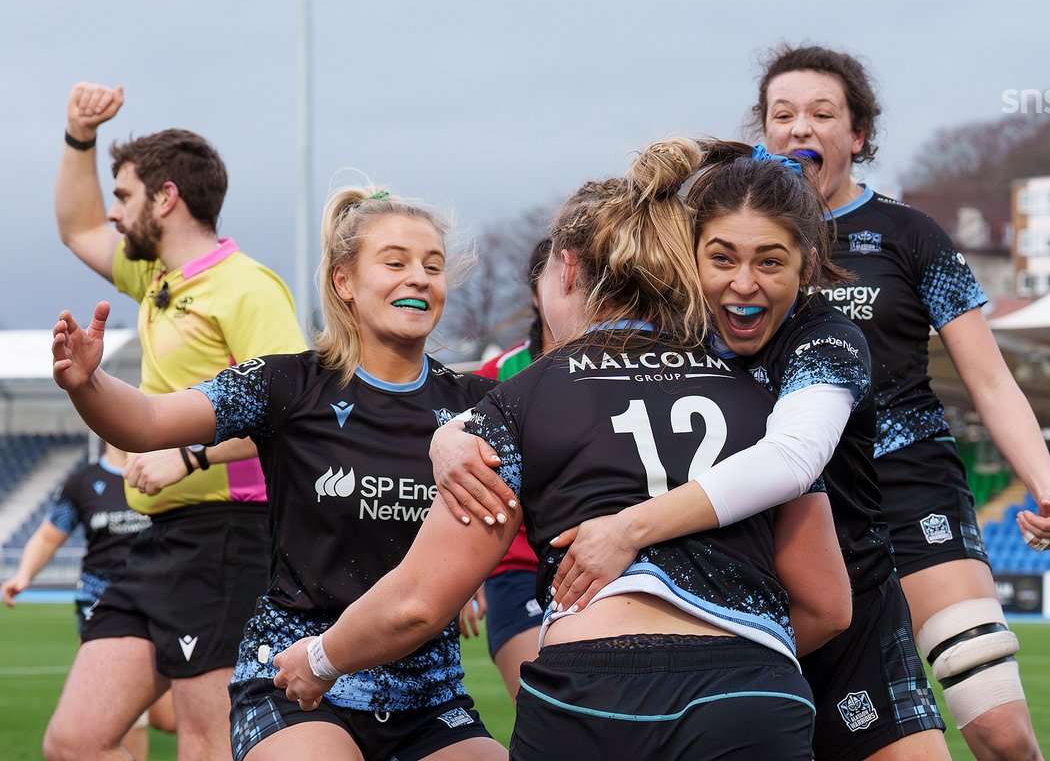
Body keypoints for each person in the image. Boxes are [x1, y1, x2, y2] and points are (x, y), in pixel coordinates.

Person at [270, 139, 850, 761]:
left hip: (595, 695)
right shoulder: (761, 390)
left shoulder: (520, 400)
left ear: (567, 270)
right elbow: (827, 605)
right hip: (754, 700)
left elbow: (418, 603)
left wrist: (321, 657)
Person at [437, 142, 951, 760]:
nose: (743, 283)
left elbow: (792, 459)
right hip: (727, 626)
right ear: (687, 258)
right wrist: (452, 436)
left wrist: (627, 528)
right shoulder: (678, 338)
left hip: (847, 608)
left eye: (770, 262)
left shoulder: (825, 338)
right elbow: (537, 392)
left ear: (807, 265)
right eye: (721, 257)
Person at [51, 183, 506, 761]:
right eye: (395, 262)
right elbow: (146, 422)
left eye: (433, 266)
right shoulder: (287, 383)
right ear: (344, 281)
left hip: (430, 699)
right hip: (293, 679)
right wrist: (88, 384)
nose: (419, 277)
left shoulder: (482, 406)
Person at [752, 44, 1050, 761]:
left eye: (821, 113)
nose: (800, 127)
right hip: (793, 501)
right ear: (764, 132)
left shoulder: (910, 235)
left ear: (857, 134)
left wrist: (1044, 485)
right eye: (783, 114)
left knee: (997, 727)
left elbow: (991, 378)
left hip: (908, 481)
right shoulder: (735, 247)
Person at [46, 81, 308, 760]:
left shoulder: (247, 286)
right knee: (74, 742)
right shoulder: (156, 279)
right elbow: (75, 228)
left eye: (125, 196)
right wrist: (80, 136)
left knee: (205, 743)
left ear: (166, 197)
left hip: (229, 536)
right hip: (160, 539)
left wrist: (191, 457)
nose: (112, 212)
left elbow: (295, 414)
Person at [2, 442, 175, 760]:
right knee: (124, 718)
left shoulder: (171, 471)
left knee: (170, 718)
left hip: (166, 603)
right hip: (103, 606)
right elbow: (48, 535)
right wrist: (23, 575)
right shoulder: (82, 482)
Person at [470, 238, 552, 700]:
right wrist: (461, 579)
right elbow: (463, 485)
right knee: (547, 709)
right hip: (517, 569)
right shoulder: (497, 377)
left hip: (602, 567)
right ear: (535, 294)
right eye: (558, 280)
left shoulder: (616, 371)